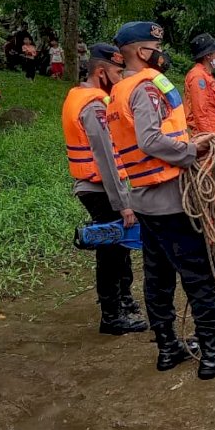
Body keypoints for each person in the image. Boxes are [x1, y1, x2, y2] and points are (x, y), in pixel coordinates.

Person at [106, 21, 215, 380]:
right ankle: (213, 356)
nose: (162, 53)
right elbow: (151, 140)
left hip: (144, 200)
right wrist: (193, 147)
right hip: (169, 200)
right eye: (157, 47)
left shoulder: (118, 91)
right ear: (143, 52)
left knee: (158, 276)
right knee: (199, 276)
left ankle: (169, 348)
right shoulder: (145, 88)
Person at [61, 43, 148, 335]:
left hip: (101, 186)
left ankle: (123, 299)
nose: (120, 78)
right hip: (100, 188)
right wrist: (124, 202)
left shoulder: (81, 96)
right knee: (111, 248)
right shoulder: (95, 106)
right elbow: (106, 160)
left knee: (120, 244)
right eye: (116, 72)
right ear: (101, 72)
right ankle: (112, 316)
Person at [183, 33, 215, 148]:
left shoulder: (205, 75)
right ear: (208, 55)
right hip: (213, 141)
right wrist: (209, 140)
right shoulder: (198, 77)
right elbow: (200, 112)